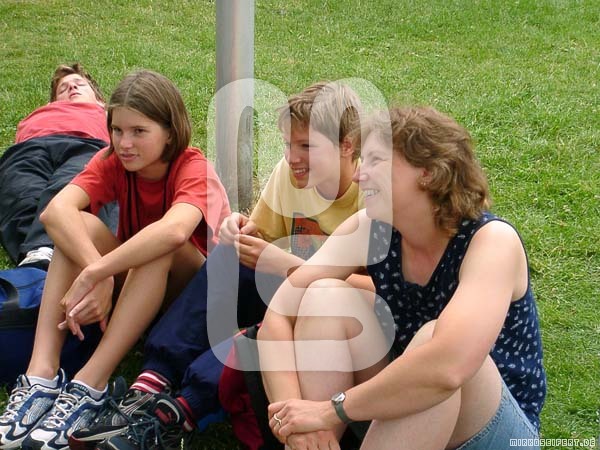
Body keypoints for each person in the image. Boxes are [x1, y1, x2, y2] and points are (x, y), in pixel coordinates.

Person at [69, 81, 372, 450]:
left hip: (330, 320)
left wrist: (289, 265)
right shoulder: (291, 174)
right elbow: (259, 235)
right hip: (284, 295)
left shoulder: (370, 198)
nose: (292, 157)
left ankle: (178, 411)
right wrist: (239, 229)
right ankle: (151, 382)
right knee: (232, 255)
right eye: (287, 144)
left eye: (306, 146)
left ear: (347, 146)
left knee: (276, 318)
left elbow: (380, 296)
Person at [257, 106, 547, 450]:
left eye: (376, 161)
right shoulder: (371, 229)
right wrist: (296, 419)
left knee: (432, 342)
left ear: (429, 172)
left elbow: (447, 370)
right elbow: (278, 314)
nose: (358, 176)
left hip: (492, 433)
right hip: (399, 420)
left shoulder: (492, 242)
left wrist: (328, 411)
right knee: (324, 296)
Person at [0, 69, 230, 450]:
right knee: (79, 226)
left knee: (159, 243)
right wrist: (100, 273)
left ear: (170, 132)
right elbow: (56, 212)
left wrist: (98, 271)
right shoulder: (113, 161)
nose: (124, 143)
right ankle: (41, 374)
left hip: (195, 307)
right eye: (117, 130)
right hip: (138, 290)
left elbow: (174, 232)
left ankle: (90, 384)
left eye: (139, 131)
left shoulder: (194, 168)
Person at [0, 63, 117, 270]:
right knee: (21, 198)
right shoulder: (40, 114)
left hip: (86, 146)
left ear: (99, 99)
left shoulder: (107, 112)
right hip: (30, 149)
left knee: (68, 189)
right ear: (52, 102)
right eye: (63, 88)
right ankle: (44, 259)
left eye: (79, 84)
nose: (72, 87)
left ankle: (42, 257)